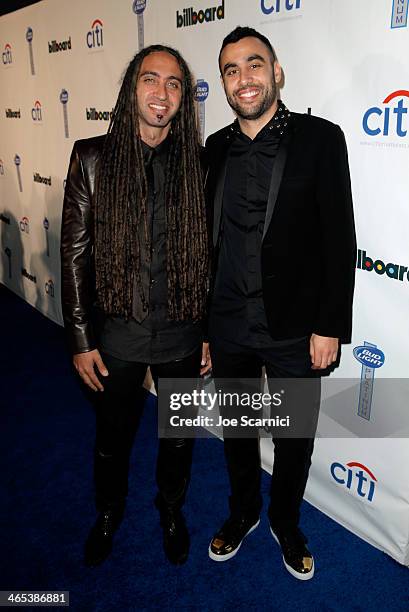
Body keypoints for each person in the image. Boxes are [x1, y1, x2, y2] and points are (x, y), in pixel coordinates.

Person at [205, 26, 356, 579]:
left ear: (276, 72)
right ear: (223, 82)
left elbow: (339, 238)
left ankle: (285, 520)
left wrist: (330, 325)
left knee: (294, 438)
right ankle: (244, 510)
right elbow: (207, 243)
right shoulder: (215, 147)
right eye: (231, 70)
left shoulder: (320, 138)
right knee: (239, 431)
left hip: (296, 327)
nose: (243, 79)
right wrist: (202, 327)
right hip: (228, 323)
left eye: (253, 65)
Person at [60, 44, 211, 568]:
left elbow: (210, 257)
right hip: (118, 335)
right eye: (151, 79)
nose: (161, 93)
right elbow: (74, 255)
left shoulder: (200, 162)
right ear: (132, 89)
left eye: (173, 84)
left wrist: (208, 331)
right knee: (112, 439)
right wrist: (81, 340)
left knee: (178, 439)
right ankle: (108, 513)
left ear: (183, 100)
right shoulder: (91, 157)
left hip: (183, 333)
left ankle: (171, 510)